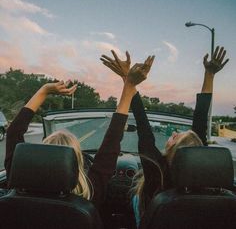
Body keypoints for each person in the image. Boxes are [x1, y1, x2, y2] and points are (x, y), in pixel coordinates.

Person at [101, 46, 229, 227]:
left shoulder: (157, 175)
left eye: (177, 137)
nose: (175, 132)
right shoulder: (217, 197)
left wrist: (128, 80)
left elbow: (144, 128)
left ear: (175, 154)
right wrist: (209, 75)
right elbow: (200, 123)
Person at [5, 59, 154, 210]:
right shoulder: (90, 191)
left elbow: (12, 133)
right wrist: (129, 85)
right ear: (77, 161)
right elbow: (113, 139)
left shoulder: (18, 182)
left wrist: (44, 90)